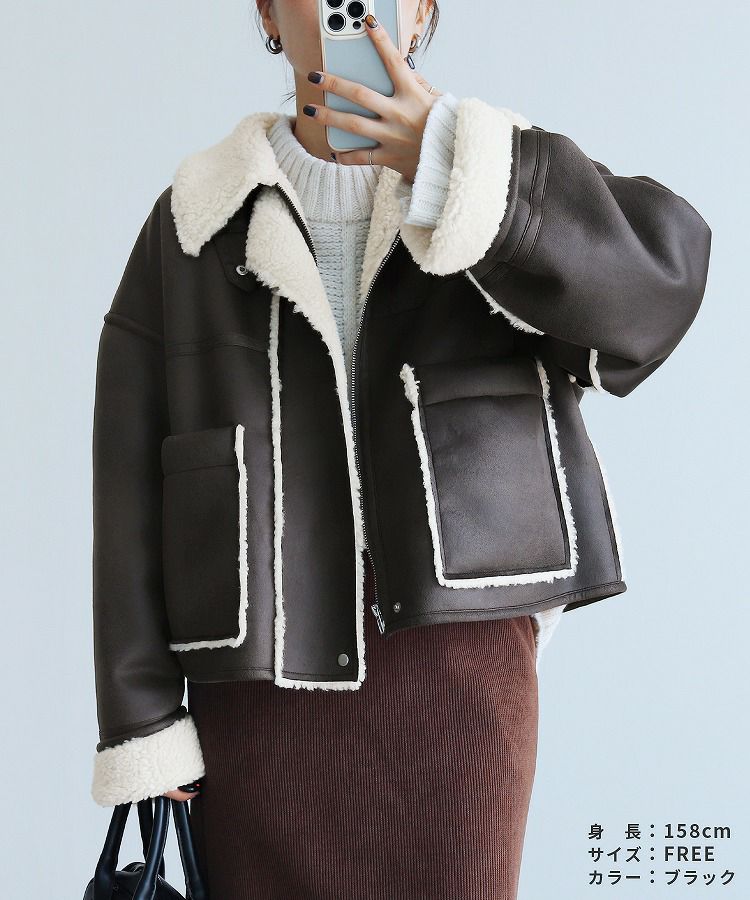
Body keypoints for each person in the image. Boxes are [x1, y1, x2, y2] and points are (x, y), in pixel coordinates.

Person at [88, 2, 711, 897]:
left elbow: (657, 293)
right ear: (268, 12)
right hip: (260, 688)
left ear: (420, 15)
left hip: (460, 676)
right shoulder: (193, 220)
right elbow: (128, 491)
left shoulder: (494, 178)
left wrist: (457, 165)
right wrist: (142, 722)